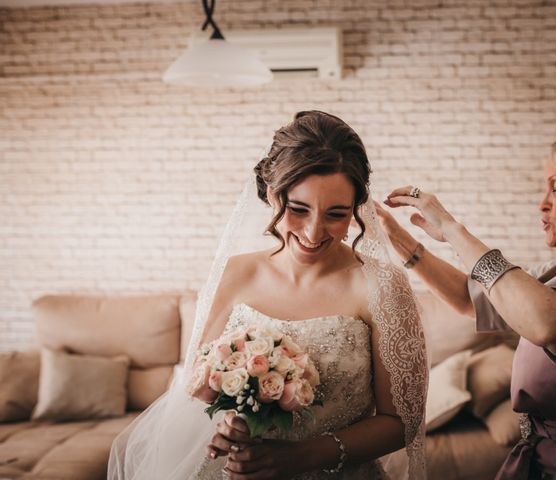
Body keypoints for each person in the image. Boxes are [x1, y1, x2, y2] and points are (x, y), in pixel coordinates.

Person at [108, 111, 427, 480]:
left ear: (356, 209)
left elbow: (403, 421)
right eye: (298, 209)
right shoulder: (235, 272)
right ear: (272, 195)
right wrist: (228, 421)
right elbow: (197, 384)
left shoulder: (382, 287)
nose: (313, 232)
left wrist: (304, 456)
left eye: (336, 214)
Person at [377, 122, 556, 479]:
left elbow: (552, 325)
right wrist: (403, 243)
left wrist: (454, 230)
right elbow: (473, 300)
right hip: (552, 460)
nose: (542, 204)